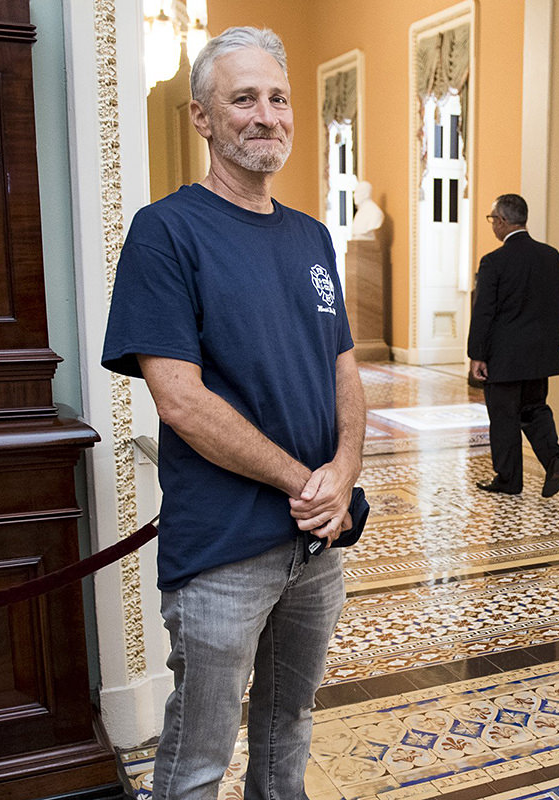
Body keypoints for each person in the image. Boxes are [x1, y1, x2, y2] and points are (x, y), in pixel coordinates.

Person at [101, 27, 366, 800]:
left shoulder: (312, 235)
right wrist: (306, 482)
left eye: (278, 98)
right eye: (243, 98)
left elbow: (345, 370)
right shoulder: (166, 231)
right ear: (203, 118)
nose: (265, 115)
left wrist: (343, 476)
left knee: (289, 733)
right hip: (222, 550)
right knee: (197, 761)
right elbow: (180, 400)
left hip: (315, 548)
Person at [467, 193, 559, 497]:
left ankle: (509, 480)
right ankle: (554, 458)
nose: (492, 226)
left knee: (504, 417)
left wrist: (476, 355)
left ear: (501, 221)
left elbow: (484, 311)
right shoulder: (551, 256)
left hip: (504, 358)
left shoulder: (494, 261)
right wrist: (551, 345)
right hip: (540, 355)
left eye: (492, 220)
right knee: (535, 409)